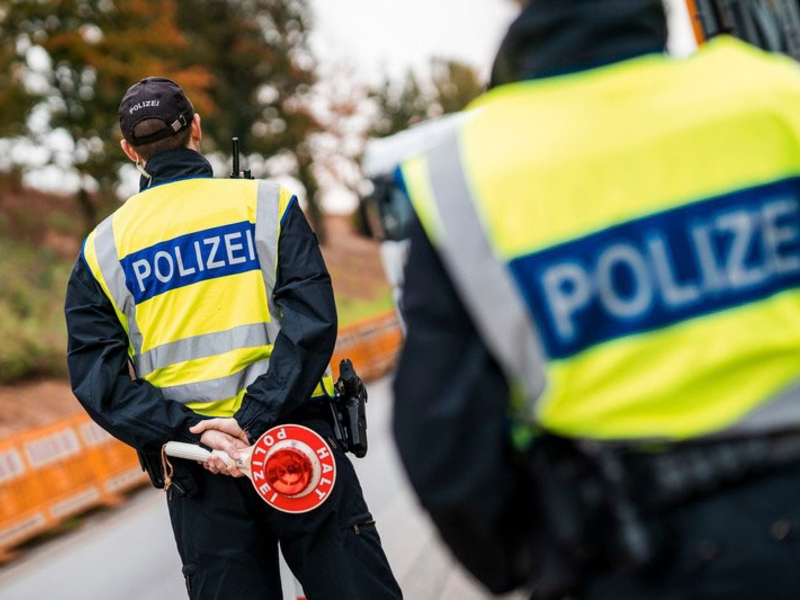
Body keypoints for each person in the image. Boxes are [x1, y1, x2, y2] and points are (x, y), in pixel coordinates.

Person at [391, 1, 800, 598]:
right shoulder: (776, 95)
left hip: (633, 557)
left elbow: (445, 441)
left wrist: (537, 562)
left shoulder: (462, 175)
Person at [64, 76, 402, 600]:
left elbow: (98, 381)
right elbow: (312, 322)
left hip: (199, 469)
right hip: (297, 445)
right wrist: (255, 417)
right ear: (196, 129)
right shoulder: (266, 204)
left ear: (130, 151)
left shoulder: (100, 249)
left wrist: (194, 431)